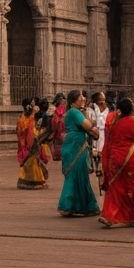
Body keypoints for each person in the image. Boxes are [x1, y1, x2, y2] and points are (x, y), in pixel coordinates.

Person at [99, 97, 134, 228]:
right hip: (133, 159)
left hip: (116, 160)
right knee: (133, 189)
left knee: (115, 188)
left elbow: (108, 143)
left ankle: (110, 216)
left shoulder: (112, 123)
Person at [57, 89, 99, 217]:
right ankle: (67, 205)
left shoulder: (75, 112)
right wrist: (93, 127)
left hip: (75, 144)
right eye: (81, 98)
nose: (84, 99)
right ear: (75, 101)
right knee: (75, 175)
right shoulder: (75, 112)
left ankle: (83, 206)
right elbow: (87, 125)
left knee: (80, 176)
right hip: (75, 146)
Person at [16, 98, 49, 189]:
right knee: (31, 163)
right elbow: (30, 133)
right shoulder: (27, 119)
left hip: (27, 144)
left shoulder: (25, 118)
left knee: (32, 162)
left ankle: (37, 180)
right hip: (28, 144)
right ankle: (33, 182)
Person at [50, 93, 66, 162]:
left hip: (63, 126)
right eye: (61, 99)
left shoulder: (65, 107)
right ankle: (57, 155)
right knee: (57, 140)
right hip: (57, 126)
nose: (62, 100)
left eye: (63, 99)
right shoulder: (52, 107)